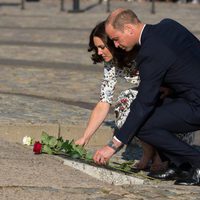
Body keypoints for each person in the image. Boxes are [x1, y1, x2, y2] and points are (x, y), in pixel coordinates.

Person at [93, 8, 200, 186]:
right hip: (188, 94)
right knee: (158, 109)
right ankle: (180, 165)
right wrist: (172, 88)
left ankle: (196, 162)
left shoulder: (149, 52)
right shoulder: (168, 25)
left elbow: (144, 103)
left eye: (116, 39)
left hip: (196, 104)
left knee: (143, 125)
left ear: (129, 28)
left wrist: (113, 145)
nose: (116, 45)